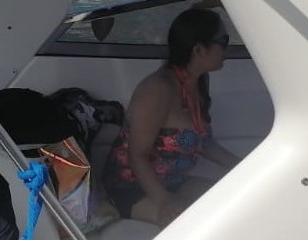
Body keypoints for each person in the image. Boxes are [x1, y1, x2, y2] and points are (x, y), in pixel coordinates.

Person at [102, 7, 240, 226]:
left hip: (174, 182)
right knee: (204, 223)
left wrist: (241, 167)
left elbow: (203, 143)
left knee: (238, 204)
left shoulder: (198, 82)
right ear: (199, 50)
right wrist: (165, 201)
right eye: (223, 40)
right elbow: (137, 155)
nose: (227, 48)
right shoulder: (157, 90)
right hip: (133, 188)